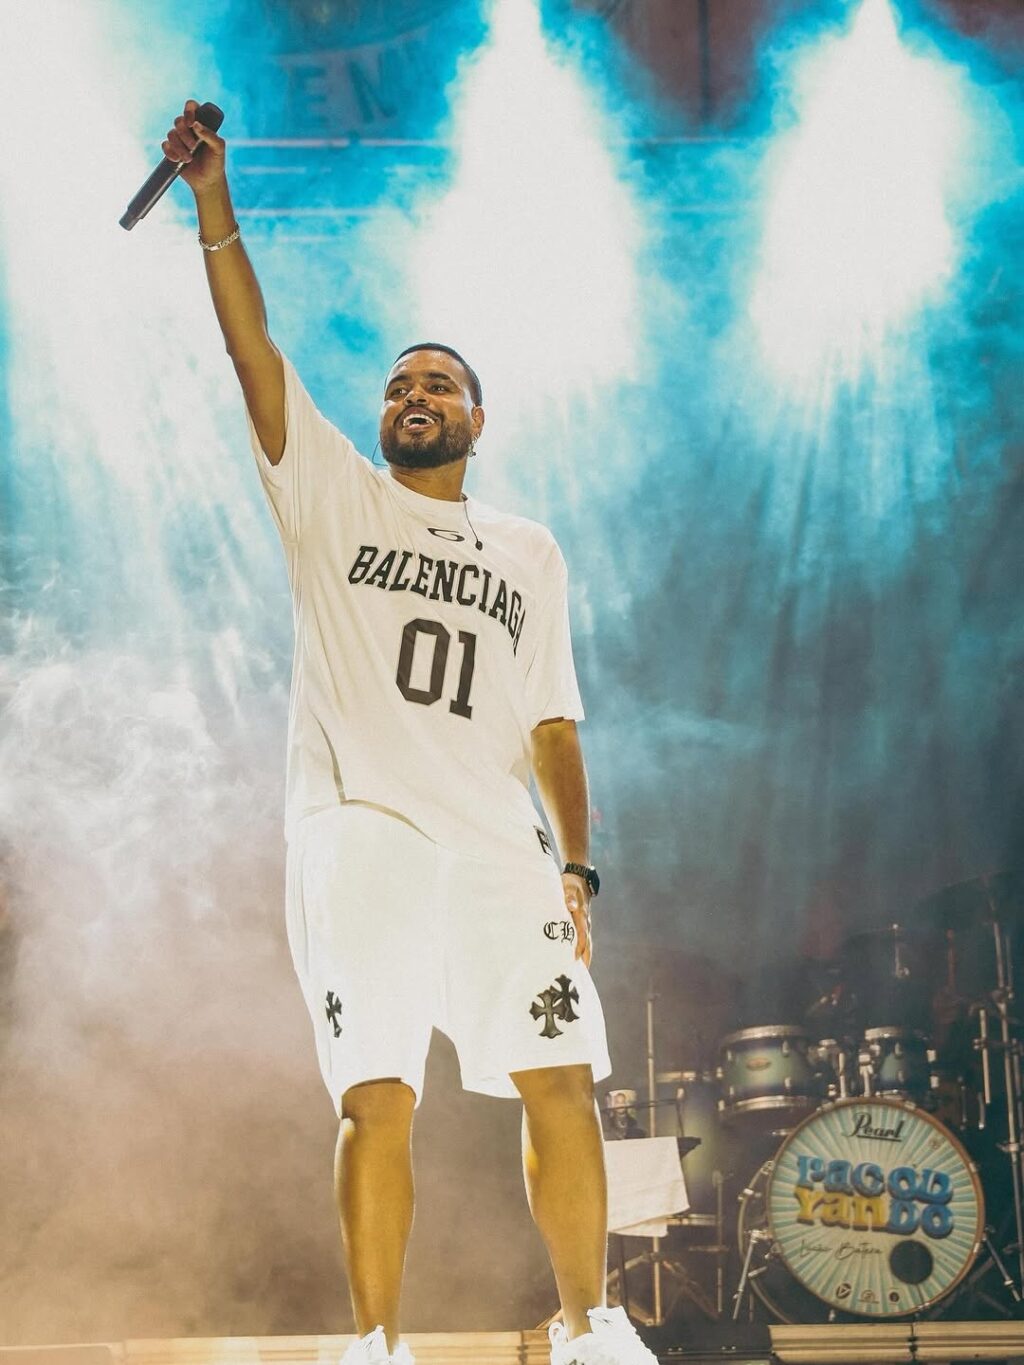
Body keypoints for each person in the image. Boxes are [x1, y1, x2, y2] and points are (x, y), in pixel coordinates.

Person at [163, 99, 658, 1365]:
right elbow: (254, 352)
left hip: (497, 844)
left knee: (561, 1076)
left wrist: (576, 864)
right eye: (398, 385)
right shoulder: (331, 495)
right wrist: (213, 202)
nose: (413, 395)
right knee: (377, 1094)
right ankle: (375, 1345)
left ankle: (592, 1329)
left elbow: (553, 722)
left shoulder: (528, 550)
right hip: (364, 831)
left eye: (438, 384)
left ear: (478, 421)